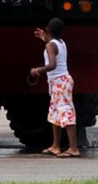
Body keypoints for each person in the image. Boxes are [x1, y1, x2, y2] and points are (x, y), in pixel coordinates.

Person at [27, 19, 79, 157]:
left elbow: (52, 65)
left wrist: (37, 70)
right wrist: (44, 38)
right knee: (55, 113)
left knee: (66, 112)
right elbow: (53, 48)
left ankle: (73, 148)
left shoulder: (50, 46)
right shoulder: (61, 43)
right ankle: (55, 146)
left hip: (59, 81)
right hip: (59, 81)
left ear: (48, 30)